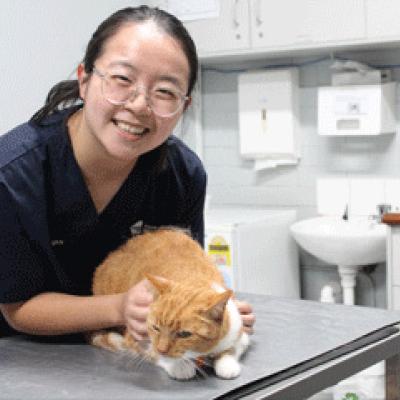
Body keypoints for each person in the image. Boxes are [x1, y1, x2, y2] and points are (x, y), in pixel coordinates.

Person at [0, 6, 254, 342]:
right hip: (25, 359)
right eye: (122, 79)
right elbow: (18, 308)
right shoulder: (14, 175)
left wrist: (212, 307)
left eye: (165, 91)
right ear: (85, 80)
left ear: (183, 106)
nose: (139, 105)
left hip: (133, 354)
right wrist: (119, 308)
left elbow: (182, 274)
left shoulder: (182, 176)